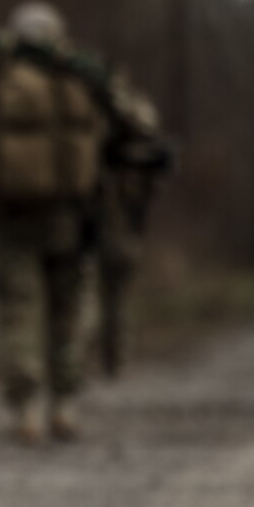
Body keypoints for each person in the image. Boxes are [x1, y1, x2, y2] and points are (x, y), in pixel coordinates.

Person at [0, 1, 111, 443]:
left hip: (6, 219)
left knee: (18, 315)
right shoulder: (76, 79)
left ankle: (27, 408)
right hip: (67, 218)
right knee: (66, 314)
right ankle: (66, 404)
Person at [84, 75, 173, 378]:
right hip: (123, 223)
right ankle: (113, 360)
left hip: (108, 222)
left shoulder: (98, 124)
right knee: (115, 297)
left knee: (98, 296)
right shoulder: (141, 127)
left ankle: (94, 358)